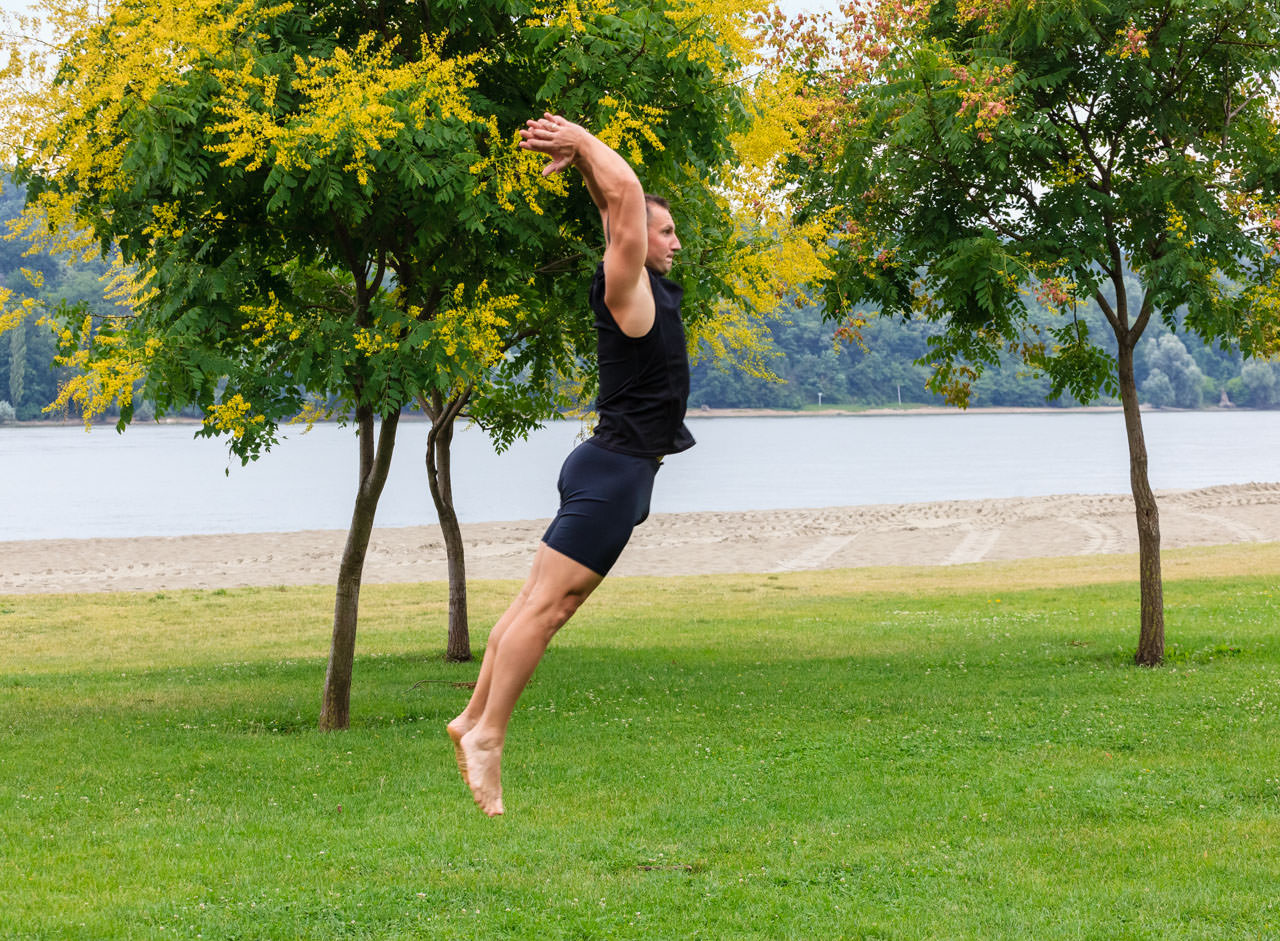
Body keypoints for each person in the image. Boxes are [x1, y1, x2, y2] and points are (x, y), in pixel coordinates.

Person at [446, 113, 695, 816]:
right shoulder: (629, 289)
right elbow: (626, 203)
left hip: (609, 468)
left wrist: (583, 166)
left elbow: (616, 206)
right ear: (639, 242)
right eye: (664, 231)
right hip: (613, 473)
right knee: (549, 610)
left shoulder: (637, 284)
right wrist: (586, 144)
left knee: (534, 602)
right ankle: (489, 736)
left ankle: (471, 717)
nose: (673, 242)